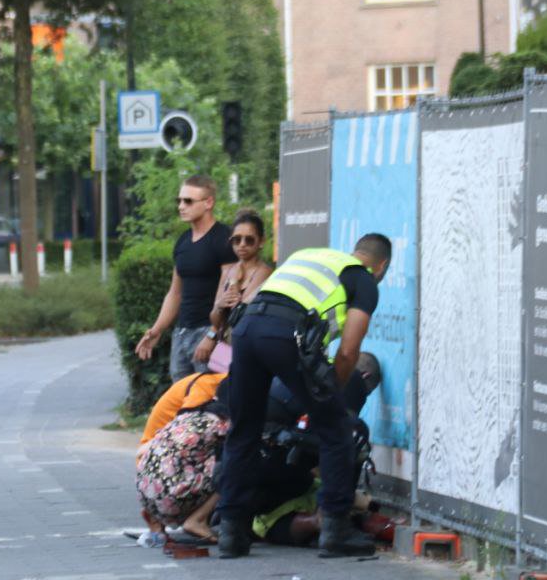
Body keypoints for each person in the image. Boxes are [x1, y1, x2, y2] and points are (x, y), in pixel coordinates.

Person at [215, 234, 393, 559]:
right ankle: (335, 530)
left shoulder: (309, 255)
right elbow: (349, 350)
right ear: (381, 266)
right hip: (286, 334)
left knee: (244, 430)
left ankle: (231, 532)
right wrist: (333, 396)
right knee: (337, 428)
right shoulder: (364, 280)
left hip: (247, 329)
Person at [134, 175, 237, 381]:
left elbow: (229, 295)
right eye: (179, 200)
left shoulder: (224, 239)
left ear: (208, 202)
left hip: (210, 334)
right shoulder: (183, 241)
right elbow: (175, 293)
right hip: (181, 333)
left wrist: (213, 334)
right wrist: (156, 330)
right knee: (181, 397)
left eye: (188, 201)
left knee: (210, 396)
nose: (181, 206)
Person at [136, 375, 231, 543]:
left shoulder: (187, 415)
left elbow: (143, 450)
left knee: (186, 457)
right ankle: (197, 520)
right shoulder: (221, 423)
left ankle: (156, 516)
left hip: (145, 489)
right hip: (173, 494)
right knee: (236, 463)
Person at [193, 209, 272, 371]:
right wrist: (220, 305)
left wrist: (234, 282)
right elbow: (215, 318)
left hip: (249, 349)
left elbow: (240, 316)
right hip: (227, 346)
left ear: (261, 241)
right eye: (236, 240)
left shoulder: (264, 272)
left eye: (249, 240)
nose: (242, 244)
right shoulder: (229, 270)